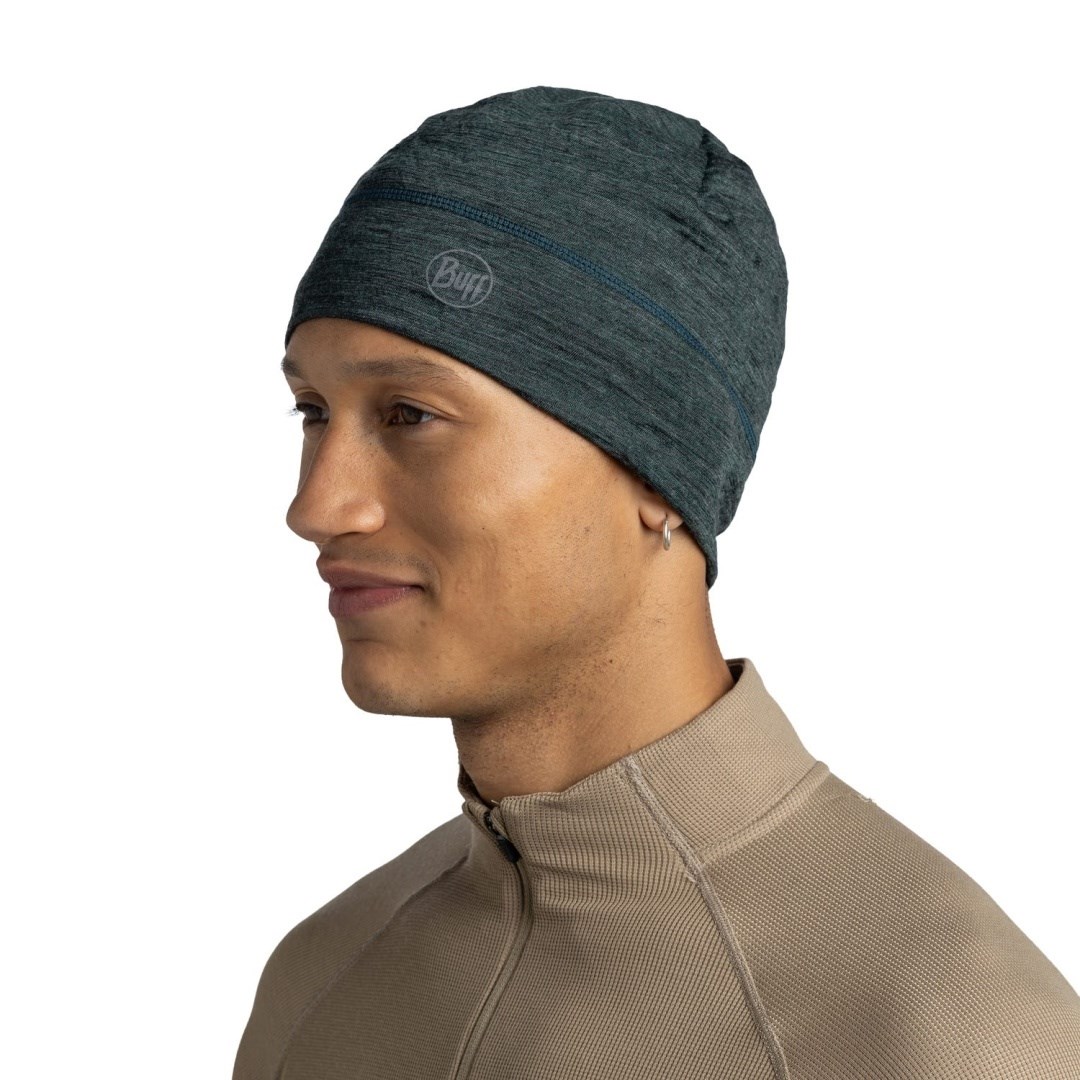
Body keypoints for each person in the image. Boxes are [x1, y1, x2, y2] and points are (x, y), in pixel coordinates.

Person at [233, 86, 1080, 1079]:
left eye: (410, 415)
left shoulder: (951, 1039)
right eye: (312, 412)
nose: (318, 505)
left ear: (656, 468)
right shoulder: (326, 977)